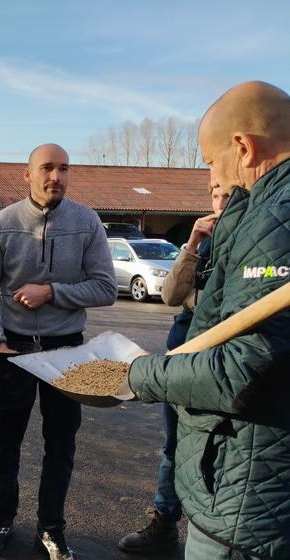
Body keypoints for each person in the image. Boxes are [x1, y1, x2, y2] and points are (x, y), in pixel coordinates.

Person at [124, 81, 290, 560]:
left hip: (249, 499)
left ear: (243, 146)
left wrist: (137, 375)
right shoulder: (262, 213)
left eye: (210, 160)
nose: (212, 175)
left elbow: (243, 370)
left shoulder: (277, 219)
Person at [0, 143, 117, 559]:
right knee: (7, 442)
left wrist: (51, 292)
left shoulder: (86, 221)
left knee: (61, 444)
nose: (56, 176)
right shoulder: (4, 222)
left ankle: (51, 529)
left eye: (64, 169)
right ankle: (0, 520)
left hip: (66, 350)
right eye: (47, 168)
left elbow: (106, 288)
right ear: (28, 174)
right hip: (11, 350)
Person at [118, 184, 229, 554]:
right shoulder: (206, 241)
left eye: (230, 193)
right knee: (173, 446)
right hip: (181, 356)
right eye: (215, 193)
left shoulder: (255, 240)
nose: (221, 201)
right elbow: (168, 295)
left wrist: (194, 299)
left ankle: (209, 534)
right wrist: (193, 245)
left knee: (217, 449)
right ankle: (164, 523)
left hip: (220, 364)